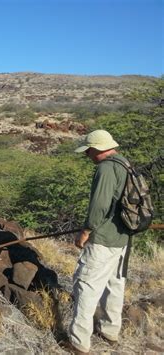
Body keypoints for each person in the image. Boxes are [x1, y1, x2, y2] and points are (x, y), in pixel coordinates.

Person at [67, 130, 132, 354]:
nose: (87, 156)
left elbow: (99, 206)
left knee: (86, 284)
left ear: (96, 149)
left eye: (88, 151)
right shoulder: (125, 163)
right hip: (122, 236)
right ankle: (110, 331)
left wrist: (85, 231)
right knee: (115, 284)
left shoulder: (106, 168)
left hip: (103, 238)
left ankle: (78, 342)